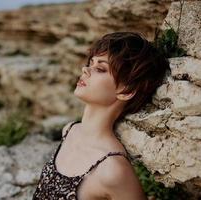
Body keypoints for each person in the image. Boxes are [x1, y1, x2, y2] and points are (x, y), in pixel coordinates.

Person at [32, 32, 169, 200]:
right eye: (91, 63)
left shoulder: (112, 169)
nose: (85, 69)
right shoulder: (69, 131)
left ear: (126, 91)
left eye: (100, 69)